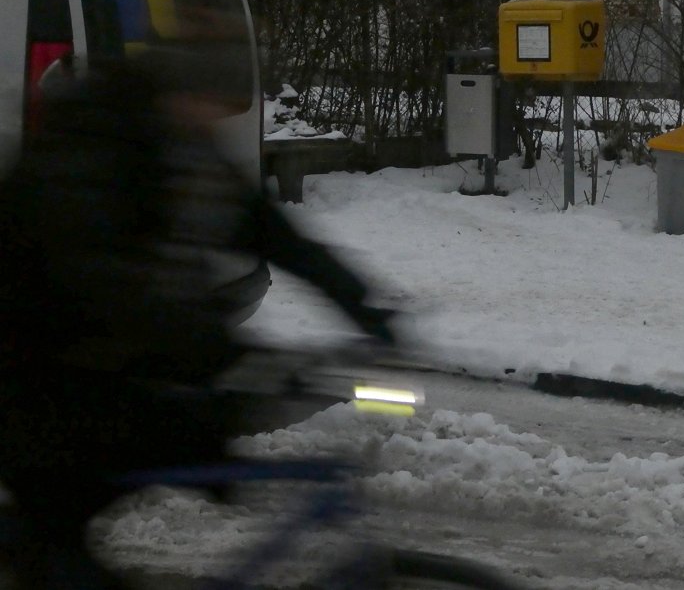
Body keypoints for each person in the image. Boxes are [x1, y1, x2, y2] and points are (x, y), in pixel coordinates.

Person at [0, 51, 399, 588]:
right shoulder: (93, 156)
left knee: (185, 431)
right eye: (202, 104)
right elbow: (111, 291)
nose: (211, 120)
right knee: (60, 533)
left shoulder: (182, 150)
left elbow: (273, 234)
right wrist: (225, 356)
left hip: (104, 369)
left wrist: (365, 308)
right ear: (166, 98)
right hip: (33, 375)